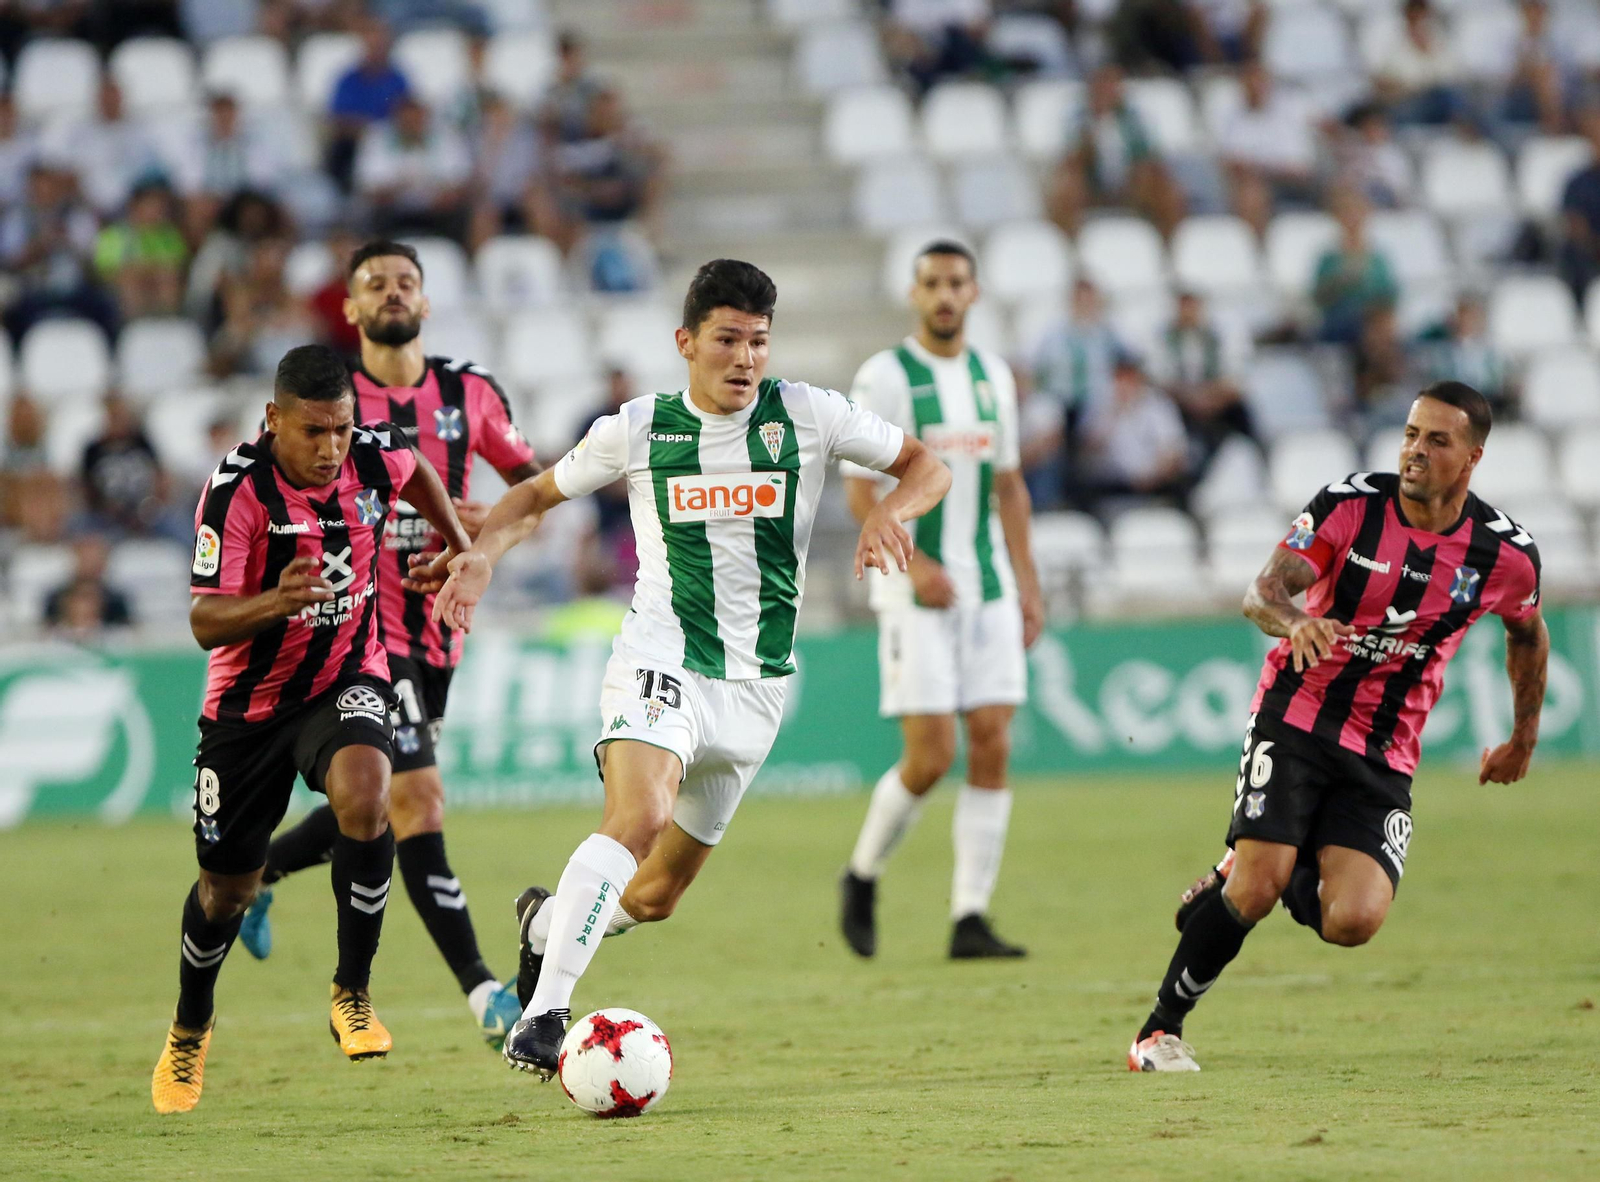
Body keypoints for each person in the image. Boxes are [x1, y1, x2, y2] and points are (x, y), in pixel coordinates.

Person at [410, 259, 952, 1078]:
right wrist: (482, 555)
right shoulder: (638, 428)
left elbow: (927, 466)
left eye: (758, 342)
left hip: (758, 687)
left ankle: (545, 924)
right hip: (661, 660)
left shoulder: (809, 414)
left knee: (656, 897)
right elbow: (531, 497)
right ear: (686, 342)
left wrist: (891, 510)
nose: (745, 359)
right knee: (640, 815)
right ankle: (545, 1015)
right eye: (727, 340)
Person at [1129, 381, 1546, 1072]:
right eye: (1410, 434)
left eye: (1436, 440)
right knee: (1256, 890)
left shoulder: (1505, 555)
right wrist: (1296, 621)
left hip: (1385, 748)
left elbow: (1527, 634)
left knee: (1353, 922)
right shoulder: (1349, 506)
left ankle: (1257, 856)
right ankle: (1156, 1033)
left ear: (1472, 457)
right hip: (1296, 713)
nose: (1414, 450)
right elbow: (1263, 592)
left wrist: (1522, 739)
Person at [150, 344, 472, 1113]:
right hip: (248, 710)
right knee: (226, 891)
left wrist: (461, 548)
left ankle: (351, 993)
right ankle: (190, 1028)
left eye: (341, 429)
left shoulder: (372, 452)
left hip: (347, 677)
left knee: (368, 793)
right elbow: (203, 620)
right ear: (273, 420)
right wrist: (276, 601)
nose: (331, 448)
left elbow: (416, 471)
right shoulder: (237, 491)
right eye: (313, 432)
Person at [237, 241, 541, 1049]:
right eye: (375, 284)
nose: (392, 293)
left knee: (377, 802)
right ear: (351, 307)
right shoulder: (330, 401)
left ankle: (257, 873)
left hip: (440, 627)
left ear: (427, 301)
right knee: (418, 801)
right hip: (362, 632)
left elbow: (536, 495)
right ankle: (486, 994)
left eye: (406, 282)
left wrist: (486, 536)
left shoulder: (470, 392)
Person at [837, 240, 1044, 961]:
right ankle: (862, 873)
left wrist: (1028, 583)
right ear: (915, 293)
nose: (945, 295)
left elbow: (1008, 485)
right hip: (913, 589)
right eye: (932, 283)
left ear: (974, 292)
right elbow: (861, 488)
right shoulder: (886, 376)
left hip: (988, 586)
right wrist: (917, 563)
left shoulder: (994, 376)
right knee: (931, 757)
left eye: (956, 282)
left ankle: (970, 917)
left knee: (992, 741)